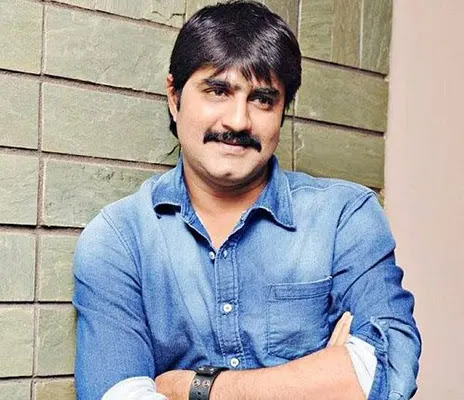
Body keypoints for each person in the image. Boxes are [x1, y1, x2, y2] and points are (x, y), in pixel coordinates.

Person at [73, 1, 421, 399]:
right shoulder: (119, 240)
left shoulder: (344, 217)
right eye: (218, 91)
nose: (238, 121)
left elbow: (388, 371)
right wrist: (319, 379)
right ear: (174, 96)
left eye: (263, 99)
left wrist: (192, 387)